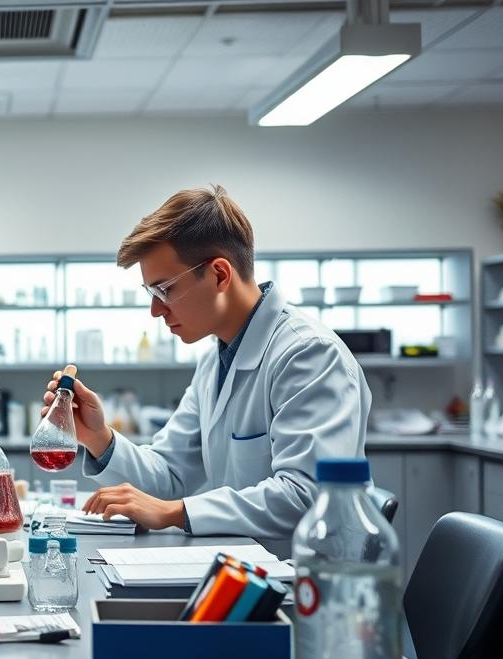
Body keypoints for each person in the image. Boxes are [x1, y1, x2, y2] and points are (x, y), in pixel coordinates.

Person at [44, 185, 371, 538]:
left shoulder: (309, 354)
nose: (155, 310)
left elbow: (308, 497)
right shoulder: (215, 363)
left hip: (307, 583)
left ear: (219, 274)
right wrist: (98, 437)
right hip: (243, 572)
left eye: (164, 289)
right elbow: (171, 474)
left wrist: (177, 512)